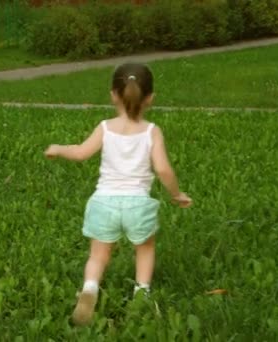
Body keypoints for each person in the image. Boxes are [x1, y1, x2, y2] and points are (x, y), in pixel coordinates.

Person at [44, 63, 193, 326]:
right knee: (145, 249)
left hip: (104, 202)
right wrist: (176, 193)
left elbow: (80, 153)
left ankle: (89, 289)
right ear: (150, 98)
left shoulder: (105, 127)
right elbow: (162, 168)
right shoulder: (151, 132)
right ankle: (142, 294)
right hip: (137, 205)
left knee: (98, 255)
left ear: (113, 94)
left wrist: (58, 148)